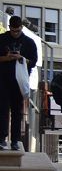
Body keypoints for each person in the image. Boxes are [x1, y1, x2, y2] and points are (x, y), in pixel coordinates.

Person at [0, 16, 39, 150]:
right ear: (9, 27)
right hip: (3, 80)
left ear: (21, 28)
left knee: (17, 111)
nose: (15, 33)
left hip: (19, 81)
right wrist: (7, 57)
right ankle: (1, 138)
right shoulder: (2, 39)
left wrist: (21, 58)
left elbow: (33, 62)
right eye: (13, 30)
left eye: (18, 30)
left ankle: (15, 140)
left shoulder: (29, 42)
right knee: (2, 110)